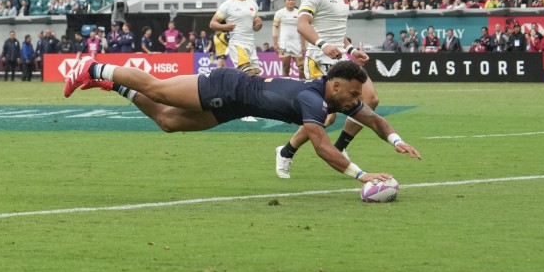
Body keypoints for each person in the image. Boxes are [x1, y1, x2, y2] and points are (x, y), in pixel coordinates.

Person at [64, 58, 420, 183]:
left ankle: (111, 84)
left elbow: (373, 118)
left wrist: (395, 140)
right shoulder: (313, 100)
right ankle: (92, 66)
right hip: (227, 86)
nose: (357, 101)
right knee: (158, 90)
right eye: (354, 95)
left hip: (232, 107)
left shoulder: (334, 95)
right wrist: (362, 175)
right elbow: (323, 148)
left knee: (167, 122)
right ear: (338, 86)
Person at [278, 0, 373, 179]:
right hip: (319, 60)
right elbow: (302, 24)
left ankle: (340, 147)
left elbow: (337, 32)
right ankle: (286, 151)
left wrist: (351, 50)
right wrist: (322, 44)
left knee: (370, 99)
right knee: (326, 116)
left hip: (341, 60)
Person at [210, 0, 263, 76]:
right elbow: (212, 23)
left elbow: (255, 27)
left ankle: (236, 90)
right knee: (249, 74)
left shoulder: (253, 4)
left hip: (251, 44)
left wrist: (258, 25)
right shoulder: (227, 4)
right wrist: (225, 27)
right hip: (237, 43)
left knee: (256, 77)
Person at [272, 0, 304, 79]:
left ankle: (302, 84)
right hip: (283, 44)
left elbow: (303, 30)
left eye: (292, 0)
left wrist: (303, 45)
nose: (291, 2)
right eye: (289, 0)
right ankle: (285, 86)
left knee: (302, 67)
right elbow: (275, 28)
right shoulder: (279, 13)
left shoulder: (299, 13)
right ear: (285, 2)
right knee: (286, 67)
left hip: (297, 43)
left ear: (295, 1)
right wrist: (275, 44)